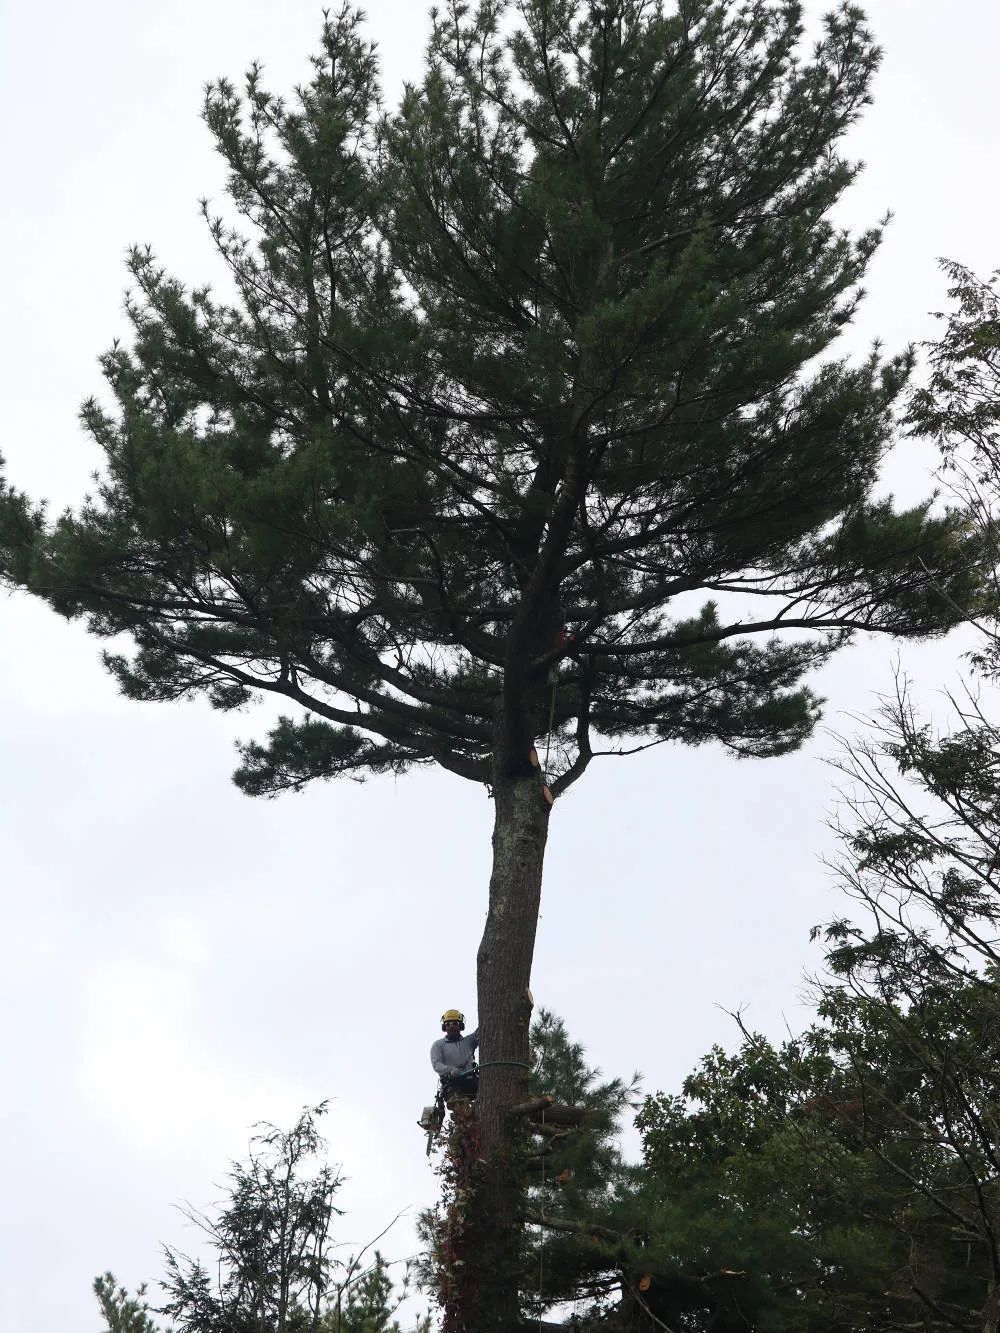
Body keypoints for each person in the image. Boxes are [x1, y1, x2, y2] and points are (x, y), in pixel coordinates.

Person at [430, 1008, 479, 1100]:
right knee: (457, 1101)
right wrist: (451, 1070)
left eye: (455, 1024)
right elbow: (436, 1064)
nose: (451, 1026)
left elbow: (483, 1030)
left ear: (461, 1025)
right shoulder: (438, 1045)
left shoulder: (469, 1042)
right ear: (444, 1027)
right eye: (448, 1024)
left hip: (471, 1081)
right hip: (452, 1084)